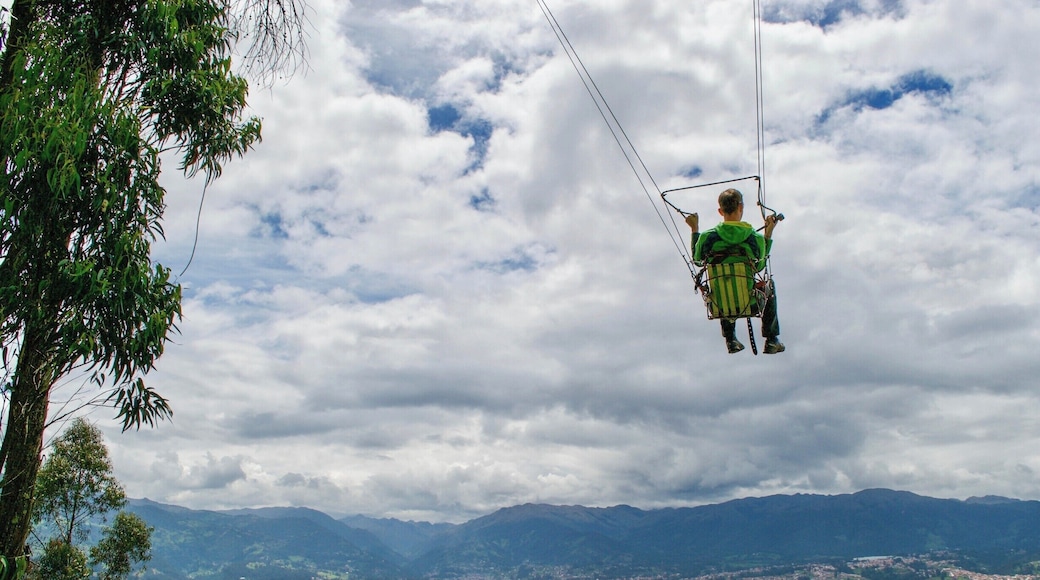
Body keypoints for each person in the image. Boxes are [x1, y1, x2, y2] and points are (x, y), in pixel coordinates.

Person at [686, 188, 784, 354]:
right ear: (741, 207)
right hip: (751, 303)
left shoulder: (707, 237)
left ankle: (730, 339)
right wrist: (768, 234)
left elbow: (697, 261)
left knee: (722, 282)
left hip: (720, 305)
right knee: (770, 284)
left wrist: (695, 229)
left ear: (720, 211)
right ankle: (771, 339)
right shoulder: (755, 238)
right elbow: (759, 267)